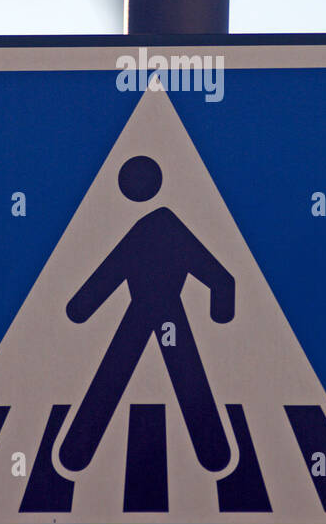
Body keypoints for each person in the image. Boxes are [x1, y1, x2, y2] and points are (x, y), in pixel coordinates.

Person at [59, 154, 235, 474]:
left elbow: (112, 272)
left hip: (152, 311)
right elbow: (219, 276)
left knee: (119, 376)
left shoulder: (155, 229)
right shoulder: (157, 229)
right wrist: (220, 309)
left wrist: (80, 308)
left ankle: (76, 452)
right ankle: (214, 453)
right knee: (178, 377)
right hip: (155, 313)